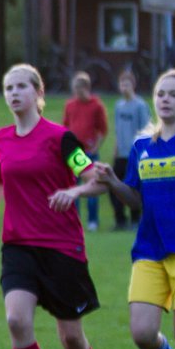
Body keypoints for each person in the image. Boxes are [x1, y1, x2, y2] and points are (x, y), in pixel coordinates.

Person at [0, 64, 107, 349]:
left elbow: (94, 178)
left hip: (62, 247)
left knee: (71, 338)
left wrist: (75, 192)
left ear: (38, 93)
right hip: (18, 245)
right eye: (8, 88)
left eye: (21, 87)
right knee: (16, 321)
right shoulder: (0, 138)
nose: (14, 93)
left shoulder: (60, 138)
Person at [90, 69, 175, 349]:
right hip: (149, 251)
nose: (166, 99)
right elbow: (135, 200)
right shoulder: (143, 145)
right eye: (161, 94)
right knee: (142, 333)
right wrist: (114, 181)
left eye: (174, 94)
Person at [61, 72, 108, 231]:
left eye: (79, 89)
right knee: (74, 187)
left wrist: (97, 145)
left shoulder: (96, 105)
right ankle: (75, 220)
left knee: (92, 185)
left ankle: (93, 220)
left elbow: (103, 129)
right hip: (75, 153)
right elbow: (65, 127)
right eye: (74, 89)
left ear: (86, 88)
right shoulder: (70, 105)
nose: (76, 93)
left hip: (90, 151)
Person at [110, 70, 151, 230]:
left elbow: (146, 129)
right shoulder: (119, 106)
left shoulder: (140, 105)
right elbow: (118, 129)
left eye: (126, 84)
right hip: (120, 154)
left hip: (134, 153)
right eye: (121, 84)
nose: (124, 87)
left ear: (133, 85)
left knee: (133, 187)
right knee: (113, 185)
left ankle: (135, 220)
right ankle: (120, 219)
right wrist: (116, 147)